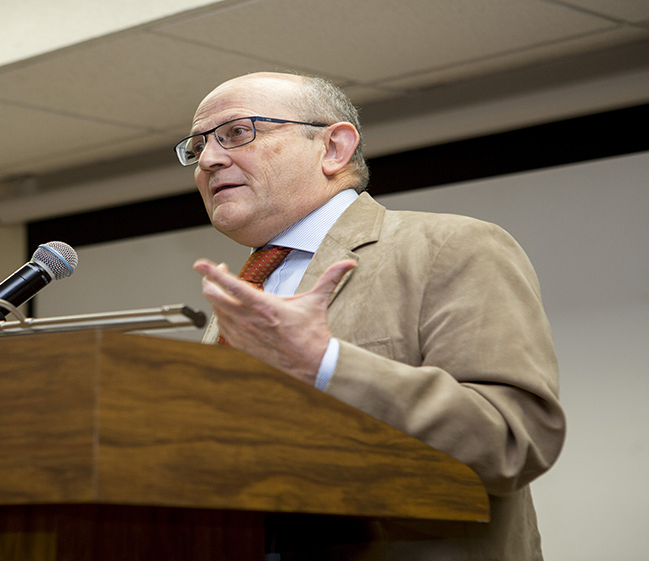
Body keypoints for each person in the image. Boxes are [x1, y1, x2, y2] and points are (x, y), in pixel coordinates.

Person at [179, 72, 565, 560]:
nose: (209, 159)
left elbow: (512, 440)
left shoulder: (452, 247)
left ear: (334, 148)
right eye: (197, 148)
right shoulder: (247, 288)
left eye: (237, 133)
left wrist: (326, 362)